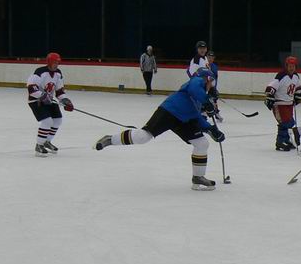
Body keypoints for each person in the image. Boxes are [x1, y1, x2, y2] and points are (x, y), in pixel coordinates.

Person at [94, 68, 225, 190]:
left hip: (184, 120)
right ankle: (110, 139)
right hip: (169, 111)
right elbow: (195, 89)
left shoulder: (199, 99)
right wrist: (207, 101)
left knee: (202, 143)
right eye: (212, 82)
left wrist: (212, 130)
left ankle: (198, 177)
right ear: (207, 78)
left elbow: (196, 117)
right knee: (143, 137)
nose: (212, 85)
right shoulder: (196, 81)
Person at [26, 52, 74, 157]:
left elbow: (59, 91)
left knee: (57, 120)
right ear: (49, 62)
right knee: (47, 122)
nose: (57, 64)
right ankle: (39, 145)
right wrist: (42, 96)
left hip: (49, 100)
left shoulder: (58, 73)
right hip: (36, 101)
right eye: (55, 62)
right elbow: (31, 89)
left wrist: (65, 100)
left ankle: (46, 142)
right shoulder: (40, 72)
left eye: (58, 62)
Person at [265, 56, 301, 151]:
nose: (291, 68)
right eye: (289, 66)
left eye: (293, 66)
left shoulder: (296, 76)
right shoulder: (281, 76)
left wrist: (298, 96)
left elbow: (297, 88)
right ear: (286, 66)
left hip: (289, 104)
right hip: (279, 104)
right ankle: (280, 141)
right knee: (286, 122)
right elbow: (270, 87)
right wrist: (269, 97)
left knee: (290, 122)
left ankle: (285, 140)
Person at [206, 50, 223, 122]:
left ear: (214, 58)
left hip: (212, 87)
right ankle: (202, 115)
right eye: (209, 57)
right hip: (204, 86)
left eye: (211, 57)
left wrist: (214, 88)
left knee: (214, 101)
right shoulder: (204, 65)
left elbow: (213, 78)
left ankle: (216, 114)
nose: (210, 59)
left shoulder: (214, 67)